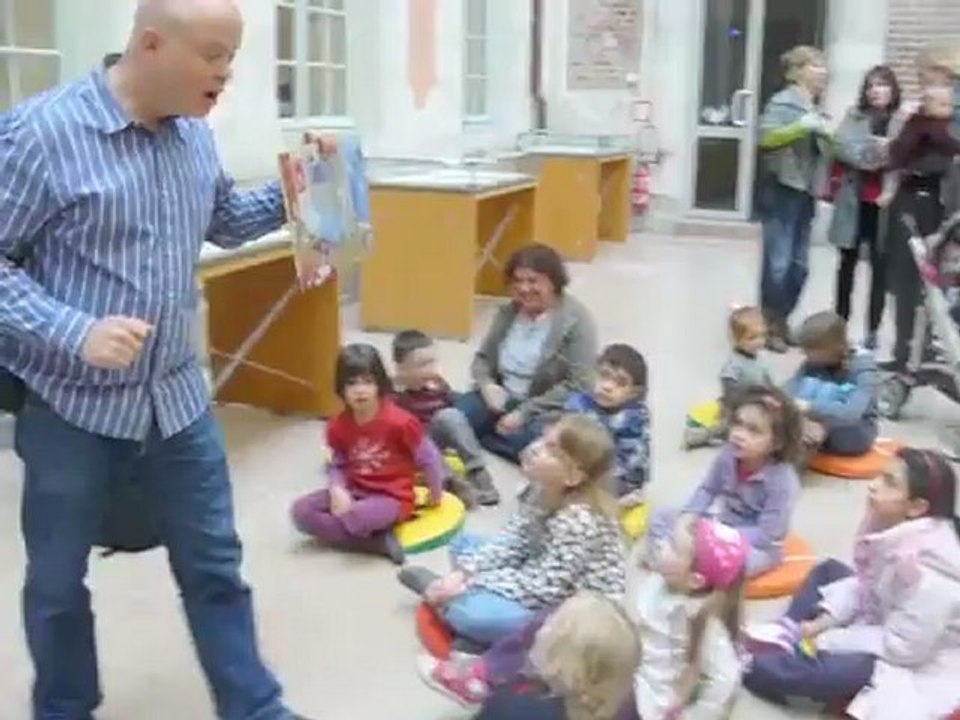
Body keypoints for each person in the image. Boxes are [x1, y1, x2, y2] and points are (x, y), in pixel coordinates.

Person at [0, 1, 316, 718]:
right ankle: (64, 706)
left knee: (215, 568)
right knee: (55, 585)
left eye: (231, 56)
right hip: (70, 406)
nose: (226, 73)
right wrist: (71, 328)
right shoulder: (39, 135)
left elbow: (223, 219)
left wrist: (303, 192)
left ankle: (255, 706)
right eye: (213, 55)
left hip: (177, 403)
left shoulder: (194, 139)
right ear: (150, 44)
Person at [743, 447, 960, 720]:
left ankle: (760, 665)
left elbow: (902, 649)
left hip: (912, 658)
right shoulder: (894, 528)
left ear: (916, 507)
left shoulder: (932, 578)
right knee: (828, 571)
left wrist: (828, 637)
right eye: (880, 475)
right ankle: (788, 632)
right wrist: (826, 619)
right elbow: (865, 584)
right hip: (882, 618)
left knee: (852, 669)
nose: (872, 485)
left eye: (889, 482)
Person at [397, 414, 627, 647]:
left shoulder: (579, 520)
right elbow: (515, 538)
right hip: (536, 566)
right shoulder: (541, 487)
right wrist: (464, 573)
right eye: (543, 440)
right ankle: (458, 604)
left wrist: (473, 582)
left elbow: (543, 590)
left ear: (572, 476)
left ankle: (452, 606)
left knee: (476, 617)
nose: (536, 449)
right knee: (463, 543)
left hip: (568, 611)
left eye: (551, 450)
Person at [290, 344, 445, 565]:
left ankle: (356, 537)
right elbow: (337, 463)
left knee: (357, 516)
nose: (360, 390)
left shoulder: (400, 422)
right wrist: (337, 489)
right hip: (355, 491)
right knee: (301, 512)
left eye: (367, 382)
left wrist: (435, 494)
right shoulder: (337, 426)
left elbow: (429, 458)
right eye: (352, 383)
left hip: (392, 498)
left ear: (379, 384)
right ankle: (374, 543)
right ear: (341, 388)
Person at [456, 243, 598, 463]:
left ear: (554, 283)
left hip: (542, 409)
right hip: (499, 399)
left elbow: (580, 384)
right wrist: (486, 385)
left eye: (533, 281)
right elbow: (482, 359)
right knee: (452, 417)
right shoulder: (508, 312)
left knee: (536, 444)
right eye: (518, 281)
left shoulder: (577, 321)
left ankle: (481, 438)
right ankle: (487, 437)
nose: (524, 289)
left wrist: (525, 412)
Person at [651, 385, 803, 577]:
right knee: (662, 515)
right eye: (737, 423)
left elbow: (768, 536)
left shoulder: (783, 482)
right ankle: (663, 556)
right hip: (722, 520)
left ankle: (689, 564)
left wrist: (714, 535)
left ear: (776, 443)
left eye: (753, 431)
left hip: (754, 544)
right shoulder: (728, 454)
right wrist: (689, 517)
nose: (739, 434)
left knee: (741, 563)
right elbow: (708, 489)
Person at [417, 592, 639, 720]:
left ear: (560, 668)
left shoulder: (515, 705)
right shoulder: (624, 702)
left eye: (552, 625)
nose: (541, 625)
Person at [625, 517, 749, 720]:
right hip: (635, 674)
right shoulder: (660, 581)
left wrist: (693, 715)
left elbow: (726, 679)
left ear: (694, 580)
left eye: (673, 547)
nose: (662, 545)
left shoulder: (700, 617)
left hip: (653, 702)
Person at [884, 48, 960, 373]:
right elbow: (897, 154)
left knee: (932, 282)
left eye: (927, 77)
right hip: (921, 200)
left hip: (936, 205)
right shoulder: (919, 114)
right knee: (913, 282)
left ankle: (920, 352)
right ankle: (909, 352)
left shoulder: (942, 118)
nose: (923, 84)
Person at [757, 45, 831, 352]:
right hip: (781, 189)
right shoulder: (783, 102)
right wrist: (799, 127)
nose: (823, 72)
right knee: (778, 263)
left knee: (799, 266)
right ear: (797, 71)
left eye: (823, 65)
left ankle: (782, 318)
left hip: (806, 192)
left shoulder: (816, 107)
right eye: (815, 65)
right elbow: (766, 138)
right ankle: (770, 323)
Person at [828, 65, 902, 349]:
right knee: (846, 266)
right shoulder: (854, 115)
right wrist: (877, 153)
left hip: (884, 203)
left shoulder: (900, 120)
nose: (875, 91)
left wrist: (880, 152)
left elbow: (902, 154)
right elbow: (841, 146)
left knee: (880, 268)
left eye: (882, 85)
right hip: (853, 200)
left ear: (892, 90)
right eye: (871, 85)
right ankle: (839, 326)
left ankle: (872, 330)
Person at [391, 329, 499, 506]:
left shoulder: (437, 383)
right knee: (417, 438)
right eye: (421, 365)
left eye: (433, 362)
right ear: (400, 368)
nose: (430, 369)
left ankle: (477, 471)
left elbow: (454, 401)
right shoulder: (393, 394)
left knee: (450, 415)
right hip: (414, 447)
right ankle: (450, 482)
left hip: (436, 438)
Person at [563, 343, 651, 507]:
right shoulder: (579, 402)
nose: (607, 386)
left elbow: (632, 464)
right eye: (604, 376)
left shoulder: (633, 419)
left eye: (620, 383)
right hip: (578, 466)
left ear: (634, 393)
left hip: (614, 474)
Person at [786, 311, 879, 460]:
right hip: (812, 423)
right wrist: (802, 420)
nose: (806, 355)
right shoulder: (813, 363)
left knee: (824, 389)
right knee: (807, 387)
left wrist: (812, 412)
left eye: (811, 351)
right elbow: (788, 391)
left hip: (853, 432)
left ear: (833, 347)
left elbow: (852, 414)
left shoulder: (863, 368)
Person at [684, 305, 773, 450]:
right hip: (736, 405)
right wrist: (752, 400)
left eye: (762, 336)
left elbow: (767, 380)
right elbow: (730, 391)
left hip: (757, 401)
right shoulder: (734, 365)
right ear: (736, 340)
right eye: (752, 338)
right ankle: (700, 436)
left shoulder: (759, 359)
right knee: (727, 426)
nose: (759, 342)